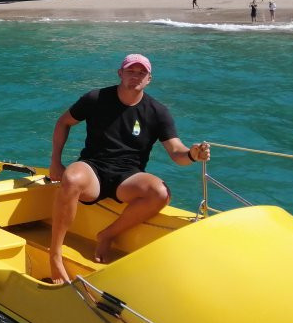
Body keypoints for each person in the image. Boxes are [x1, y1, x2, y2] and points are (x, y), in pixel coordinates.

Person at [47, 54, 210, 284]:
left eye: (141, 73)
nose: (135, 76)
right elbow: (63, 122)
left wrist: (193, 154)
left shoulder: (157, 111)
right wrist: (56, 161)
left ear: (149, 79)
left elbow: (176, 152)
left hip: (128, 177)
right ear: (120, 73)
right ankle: (55, 255)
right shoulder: (96, 98)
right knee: (72, 178)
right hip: (93, 169)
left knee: (160, 192)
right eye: (130, 71)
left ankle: (107, 235)